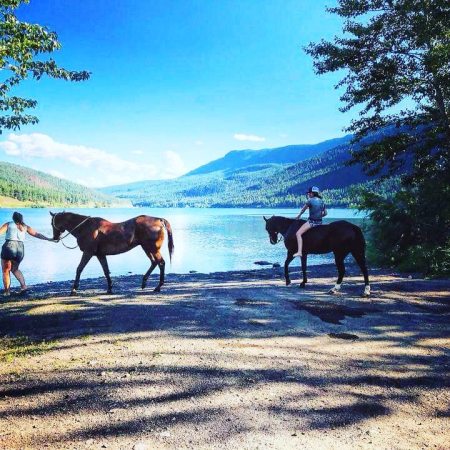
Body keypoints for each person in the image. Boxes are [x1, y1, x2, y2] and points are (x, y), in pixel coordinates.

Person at [0, 211, 54, 297]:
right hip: (20, 249)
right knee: (15, 269)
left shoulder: (8, 224)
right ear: (21, 219)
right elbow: (37, 234)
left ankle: (7, 292)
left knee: (6, 271)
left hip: (9, 247)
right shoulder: (25, 227)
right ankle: (24, 287)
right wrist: (49, 239)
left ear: (13, 218)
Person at [293, 186, 327, 258]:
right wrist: (319, 216)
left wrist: (298, 216)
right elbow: (325, 213)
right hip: (320, 223)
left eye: (309, 193)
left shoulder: (310, 200)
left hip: (312, 222)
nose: (308, 194)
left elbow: (303, 210)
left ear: (312, 193)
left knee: (298, 233)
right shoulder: (322, 201)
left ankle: (299, 252)